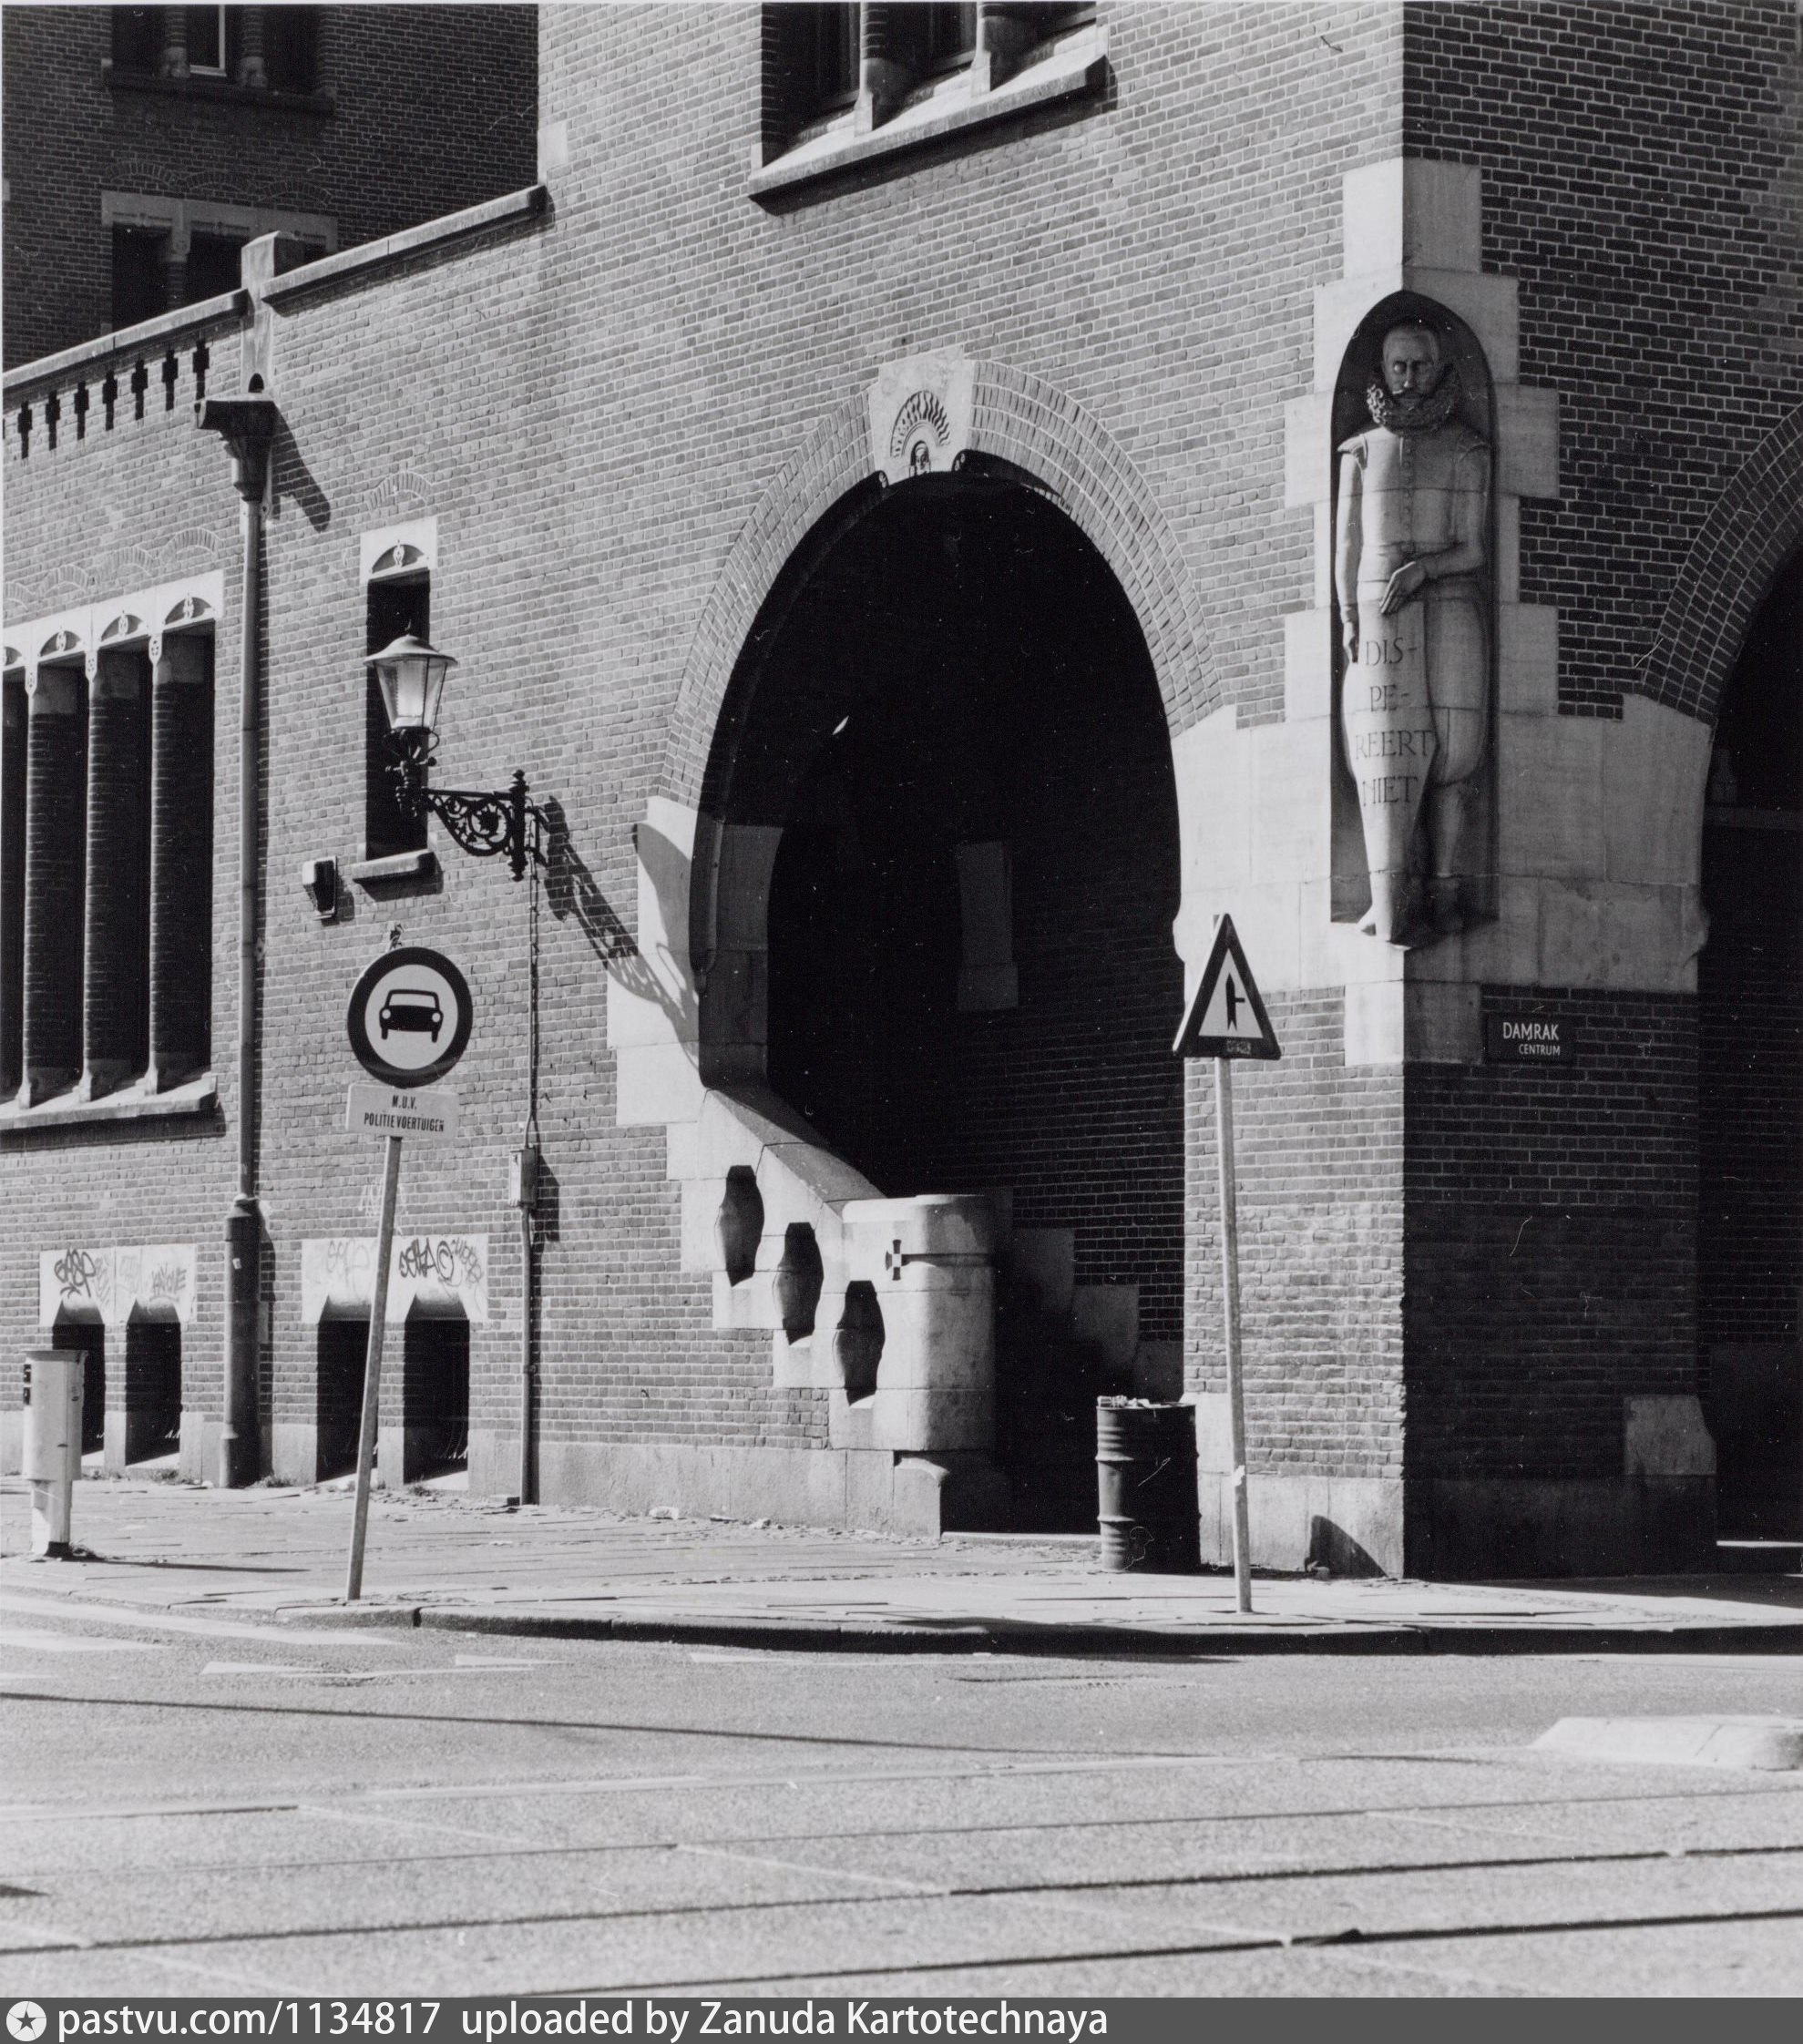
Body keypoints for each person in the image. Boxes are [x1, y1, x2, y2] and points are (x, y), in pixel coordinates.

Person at [1335, 321, 1491, 943]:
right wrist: (1348, 614)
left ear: (1437, 368)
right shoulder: (1358, 451)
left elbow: (1473, 547)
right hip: (1379, 612)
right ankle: (1390, 891)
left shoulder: (1465, 449)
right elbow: (1347, 545)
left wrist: (1425, 568)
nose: (1407, 379)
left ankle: (1446, 886)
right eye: (1397, 367)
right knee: (1379, 754)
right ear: (1382, 369)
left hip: (1448, 604)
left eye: (1419, 367)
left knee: (1455, 750)